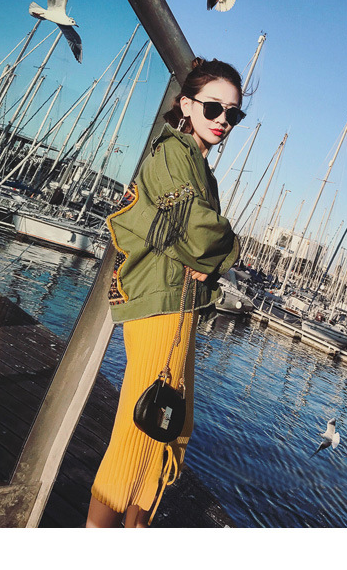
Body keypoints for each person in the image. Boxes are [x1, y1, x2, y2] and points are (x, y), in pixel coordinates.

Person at [86, 58, 245, 528]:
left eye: (232, 113)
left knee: (167, 424)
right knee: (141, 429)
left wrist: (205, 261)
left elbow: (195, 240)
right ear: (187, 105)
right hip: (161, 305)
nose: (222, 120)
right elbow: (199, 232)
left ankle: (135, 527)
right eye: (213, 107)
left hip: (176, 304)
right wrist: (227, 246)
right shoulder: (174, 153)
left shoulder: (199, 168)